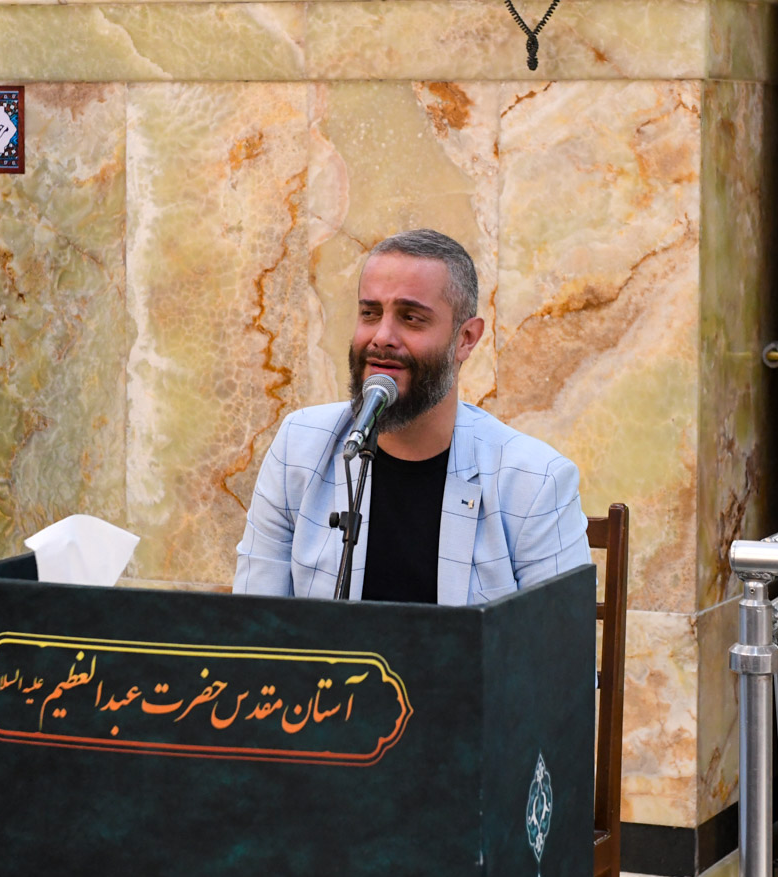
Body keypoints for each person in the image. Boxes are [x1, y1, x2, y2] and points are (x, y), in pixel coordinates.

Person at [233, 229, 591, 605]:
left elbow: (558, 641)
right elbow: (253, 624)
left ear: (466, 338)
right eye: (370, 313)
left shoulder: (535, 481)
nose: (382, 337)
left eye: (411, 318)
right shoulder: (299, 447)